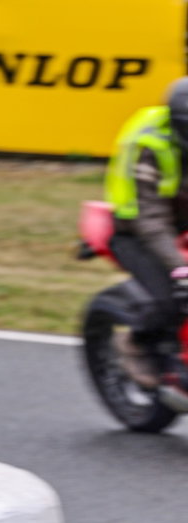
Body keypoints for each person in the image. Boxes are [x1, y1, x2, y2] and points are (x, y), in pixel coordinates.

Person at [105, 77, 188, 395]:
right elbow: (151, 220)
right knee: (172, 298)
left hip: (180, 221)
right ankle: (135, 341)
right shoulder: (151, 148)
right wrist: (178, 267)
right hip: (136, 230)